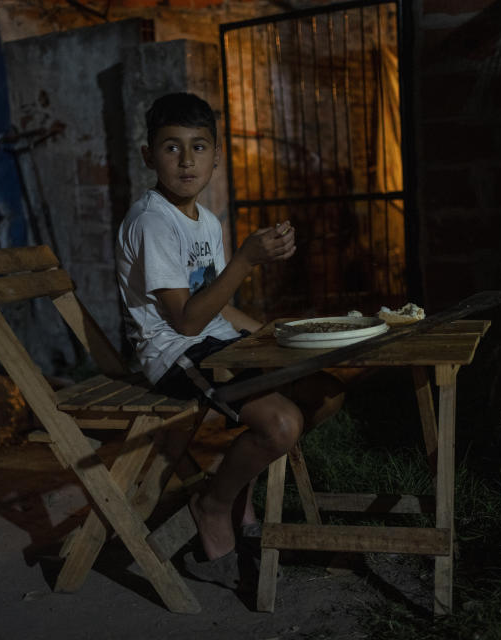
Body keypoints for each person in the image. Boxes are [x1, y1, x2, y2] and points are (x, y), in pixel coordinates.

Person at [115, 92, 344, 587]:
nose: (186, 159)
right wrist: (244, 260)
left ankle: (236, 484)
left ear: (217, 156)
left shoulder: (207, 221)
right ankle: (213, 504)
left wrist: (272, 334)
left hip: (212, 340)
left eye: (199, 147)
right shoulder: (153, 220)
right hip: (176, 355)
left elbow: (215, 305)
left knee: (324, 391)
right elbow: (186, 322)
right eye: (171, 147)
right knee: (282, 424)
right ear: (148, 156)